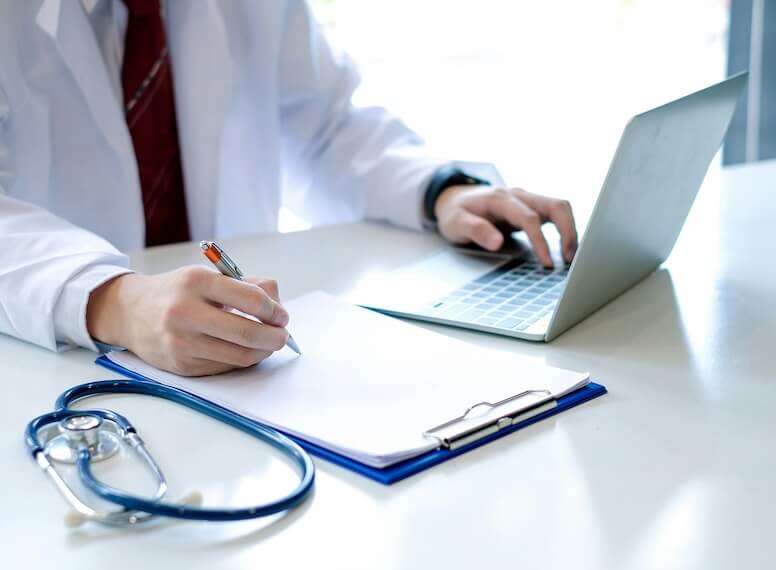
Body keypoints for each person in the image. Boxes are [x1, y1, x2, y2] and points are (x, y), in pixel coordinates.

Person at [0, 0, 578, 376]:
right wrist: (112, 299)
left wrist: (439, 191)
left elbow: (323, 127)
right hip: (53, 363)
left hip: (238, 373)